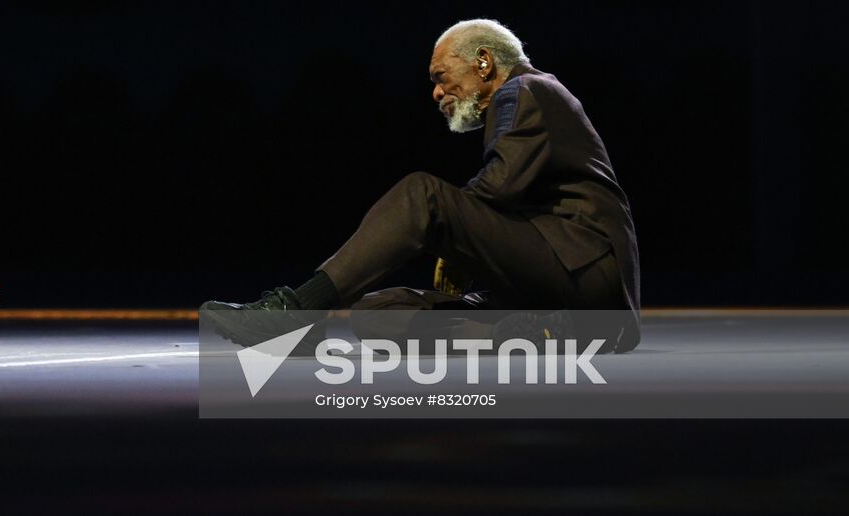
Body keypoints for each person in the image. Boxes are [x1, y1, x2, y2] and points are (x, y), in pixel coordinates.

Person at [201, 19, 642, 352]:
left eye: (441, 76)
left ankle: (296, 311)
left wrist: (454, 239)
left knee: (422, 195)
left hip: (584, 273)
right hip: (564, 294)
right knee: (376, 314)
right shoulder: (531, 95)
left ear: (484, 62)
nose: (435, 93)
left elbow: (499, 185)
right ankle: (540, 332)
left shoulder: (523, 89)